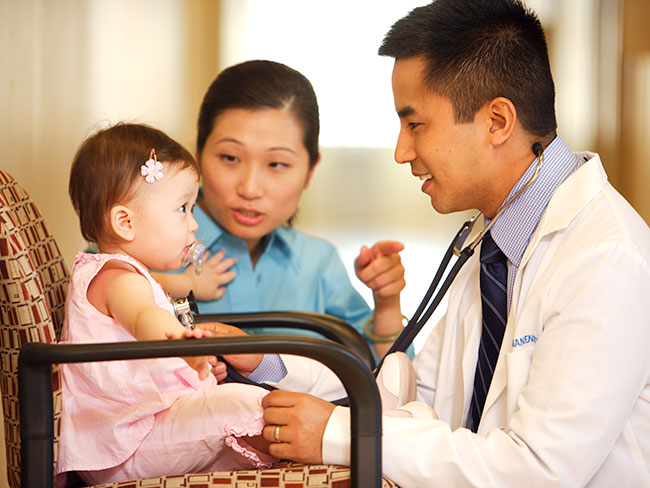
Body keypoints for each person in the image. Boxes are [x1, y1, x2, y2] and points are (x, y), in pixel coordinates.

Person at [256, 1, 650, 486]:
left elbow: (540, 470)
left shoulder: (606, 259)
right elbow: (419, 393)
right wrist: (263, 361)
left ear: (497, 122)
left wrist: (342, 432)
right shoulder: (493, 243)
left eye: (415, 124)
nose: (402, 152)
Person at [58, 123, 276, 483]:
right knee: (248, 405)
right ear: (125, 222)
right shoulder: (117, 279)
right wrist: (182, 346)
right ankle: (355, 431)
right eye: (182, 209)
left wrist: (197, 370)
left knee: (246, 407)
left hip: (142, 433)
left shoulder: (126, 272)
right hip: (126, 447)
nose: (193, 226)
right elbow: (145, 319)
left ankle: (353, 425)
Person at [154, 60, 408, 360]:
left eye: (277, 164)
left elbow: (384, 378)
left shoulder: (318, 264)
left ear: (310, 171)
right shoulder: (136, 245)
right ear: (197, 155)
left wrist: (387, 302)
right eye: (230, 158)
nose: (250, 188)